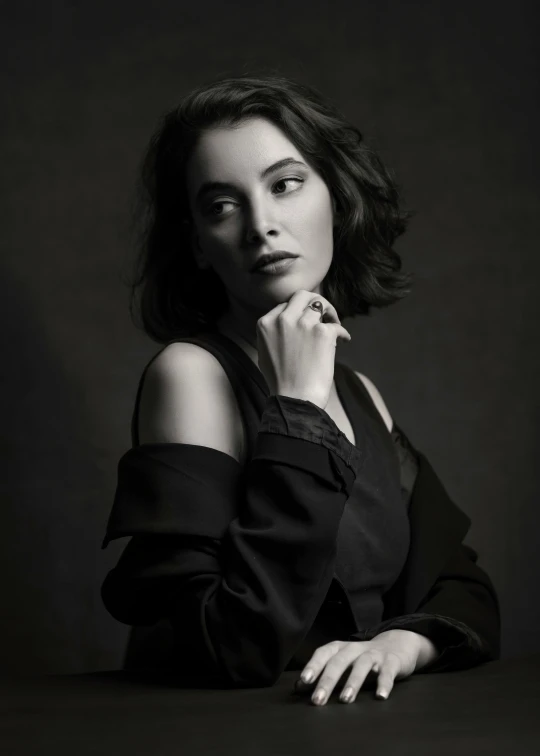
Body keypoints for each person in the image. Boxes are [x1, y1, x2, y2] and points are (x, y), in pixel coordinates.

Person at [100, 73, 501, 705]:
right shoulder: (191, 374)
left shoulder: (363, 392)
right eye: (221, 206)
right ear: (200, 246)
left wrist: (401, 645)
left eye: (285, 185)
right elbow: (236, 644)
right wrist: (299, 410)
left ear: (335, 201)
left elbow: (464, 591)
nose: (262, 225)